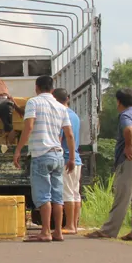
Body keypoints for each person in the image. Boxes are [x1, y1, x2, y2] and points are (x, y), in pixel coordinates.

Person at [87, 88, 132, 241]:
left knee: (121, 197)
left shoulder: (126, 115)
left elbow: (128, 129)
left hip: (130, 163)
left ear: (119, 102)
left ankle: (108, 230)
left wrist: (128, 146)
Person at [13, 75, 76, 242]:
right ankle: (58, 231)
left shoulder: (33, 103)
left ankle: (45, 232)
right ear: (52, 89)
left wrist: (18, 150)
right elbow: (69, 134)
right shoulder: (61, 107)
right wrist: (71, 157)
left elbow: (29, 126)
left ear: (36, 88)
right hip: (58, 155)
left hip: (41, 154)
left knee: (43, 195)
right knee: (57, 196)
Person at [53, 88, 83, 234]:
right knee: (75, 192)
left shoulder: (61, 115)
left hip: (66, 158)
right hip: (76, 158)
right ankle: (74, 225)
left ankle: (70, 225)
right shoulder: (74, 116)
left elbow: (59, 139)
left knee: (67, 193)